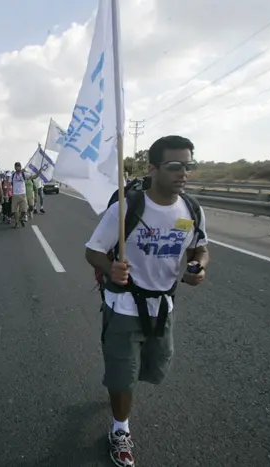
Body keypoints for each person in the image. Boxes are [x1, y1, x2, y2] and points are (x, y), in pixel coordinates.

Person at [84, 135, 209, 467]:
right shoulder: (127, 208)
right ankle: (120, 429)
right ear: (152, 169)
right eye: (174, 166)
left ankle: (119, 392)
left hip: (163, 309)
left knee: (150, 369)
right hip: (124, 306)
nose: (183, 173)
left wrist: (197, 266)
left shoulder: (191, 210)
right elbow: (93, 250)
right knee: (124, 375)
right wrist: (110, 268)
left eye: (188, 166)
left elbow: (199, 247)